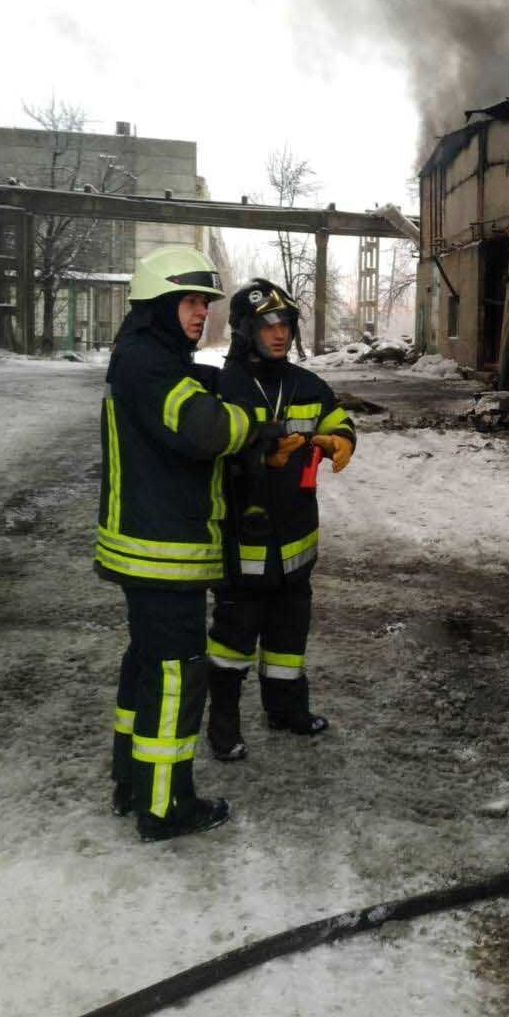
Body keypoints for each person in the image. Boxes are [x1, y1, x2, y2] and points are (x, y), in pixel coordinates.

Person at [96, 244, 262, 843]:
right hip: (165, 553)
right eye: (191, 302)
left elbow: (183, 393)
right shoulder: (150, 365)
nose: (201, 314)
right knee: (173, 678)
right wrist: (254, 420)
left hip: (147, 550)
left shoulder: (143, 356)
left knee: (145, 665)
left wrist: (210, 377)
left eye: (206, 303)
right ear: (160, 305)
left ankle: (132, 782)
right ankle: (166, 807)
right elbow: (207, 430)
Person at [204, 279, 356, 760]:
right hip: (242, 538)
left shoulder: (306, 385)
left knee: (289, 635)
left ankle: (286, 709)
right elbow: (207, 451)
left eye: (286, 324)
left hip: (296, 537)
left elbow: (337, 419)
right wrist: (258, 454)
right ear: (245, 330)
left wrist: (341, 439)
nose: (279, 334)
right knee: (232, 640)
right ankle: (223, 725)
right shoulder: (220, 387)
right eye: (268, 324)